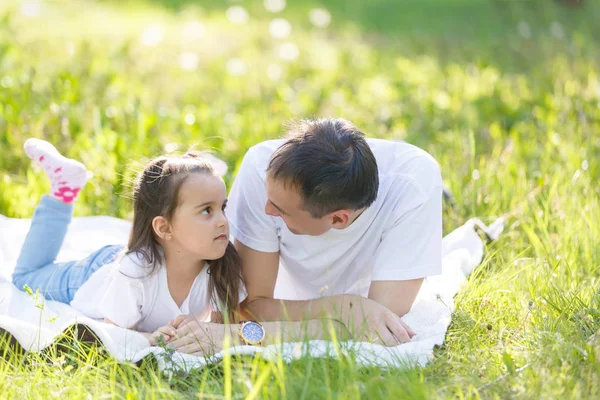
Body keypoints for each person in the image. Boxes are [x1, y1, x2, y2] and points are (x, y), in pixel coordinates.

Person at [179, 118, 443, 348]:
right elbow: (249, 307)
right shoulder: (261, 165)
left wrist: (235, 338)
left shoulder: (413, 185)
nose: (267, 210)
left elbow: (378, 329)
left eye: (281, 210)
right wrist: (345, 307)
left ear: (338, 219)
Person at [11, 138, 243, 344]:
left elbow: (220, 331)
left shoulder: (223, 267)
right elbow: (113, 331)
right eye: (206, 211)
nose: (223, 221)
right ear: (164, 227)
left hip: (146, 251)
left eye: (222, 207)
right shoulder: (136, 272)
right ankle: (64, 190)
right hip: (96, 272)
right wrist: (151, 338)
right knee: (25, 278)